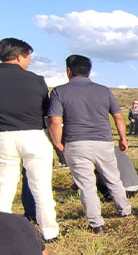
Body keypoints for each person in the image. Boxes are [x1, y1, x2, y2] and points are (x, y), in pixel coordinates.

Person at [0, 37, 60, 241]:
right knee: (42, 188)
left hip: (1, 136)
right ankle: (50, 231)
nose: (29, 62)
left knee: (2, 189)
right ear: (20, 56)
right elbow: (45, 109)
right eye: (28, 57)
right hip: (33, 135)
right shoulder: (36, 80)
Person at [47, 55, 131, 233]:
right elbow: (118, 117)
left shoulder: (59, 92)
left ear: (68, 71)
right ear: (89, 71)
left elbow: (55, 121)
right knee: (113, 178)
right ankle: (125, 211)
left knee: (87, 185)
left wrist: (57, 143)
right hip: (103, 141)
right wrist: (122, 138)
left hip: (76, 143)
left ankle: (96, 224)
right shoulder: (104, 90)